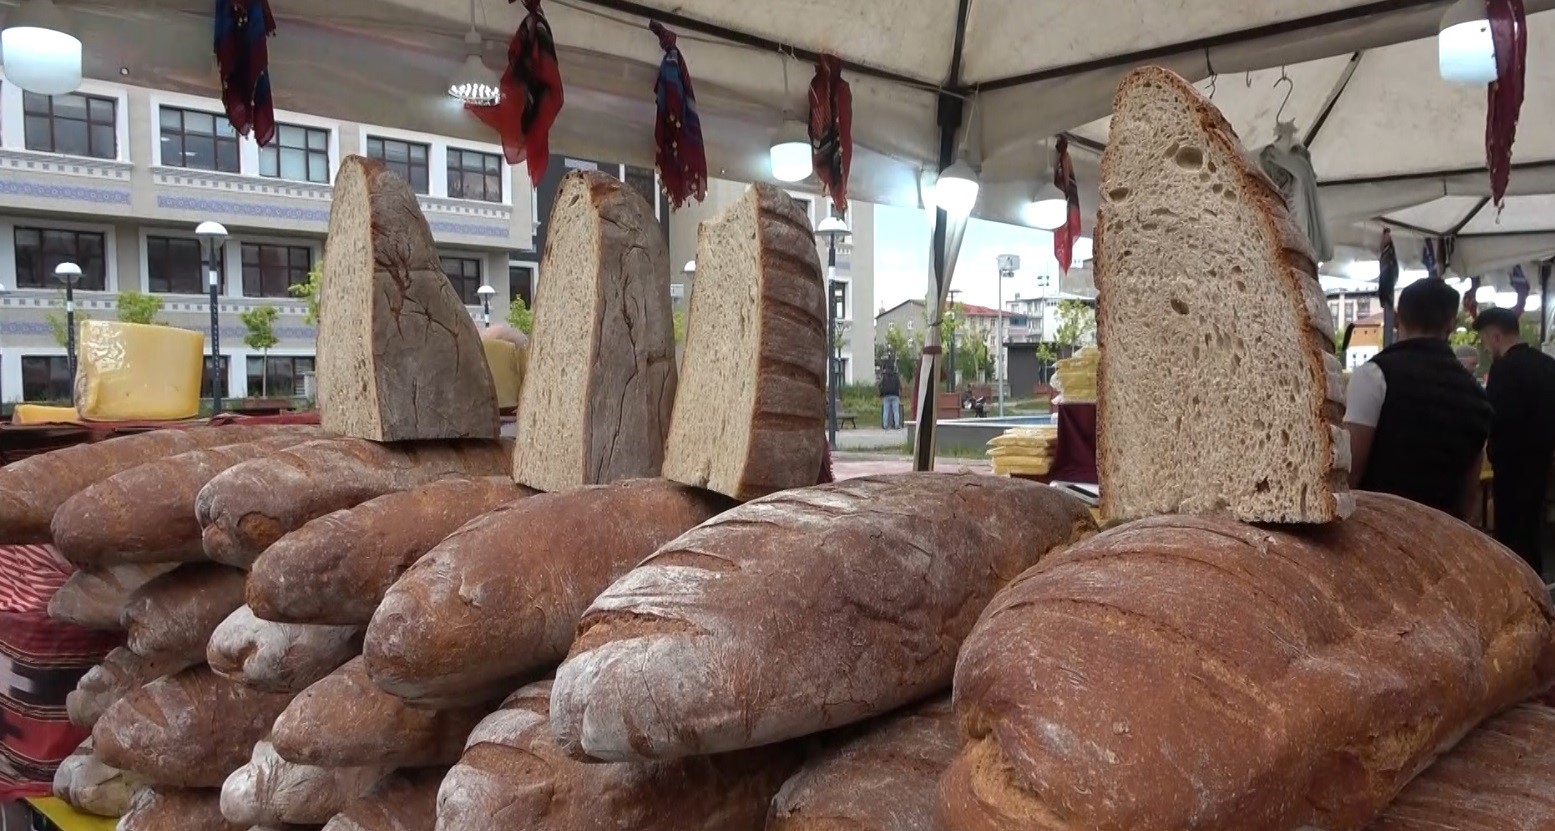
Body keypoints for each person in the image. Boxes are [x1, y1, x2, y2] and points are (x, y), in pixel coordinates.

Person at [1344, 278, 1492, 521]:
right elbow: (1469, 498)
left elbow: (1350, 470)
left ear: (1398, 318)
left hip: (1377, 531)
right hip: (1441, 537)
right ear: (1451, 324)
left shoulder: (1374, 375)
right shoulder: (1476, 396)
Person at [1474, 307, 1555, 577]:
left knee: (1510, 539)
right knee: (1532, 531)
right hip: (1542, 464)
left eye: (1486, 341)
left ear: (1496, 336)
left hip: (1511, 468)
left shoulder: (1504, 369)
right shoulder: (1548, 365)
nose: (1487, 348)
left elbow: (1496, 419)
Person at [878, 365, 903, 430]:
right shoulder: (896, 376)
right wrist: (901, 392)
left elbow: (879, 384)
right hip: (895, 395)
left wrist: (881, 391)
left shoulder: (884, 376)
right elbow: (900, 385)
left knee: (886, 411)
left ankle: (885, 425)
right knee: (896, 411)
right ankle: (897, 425)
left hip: (886, 395)